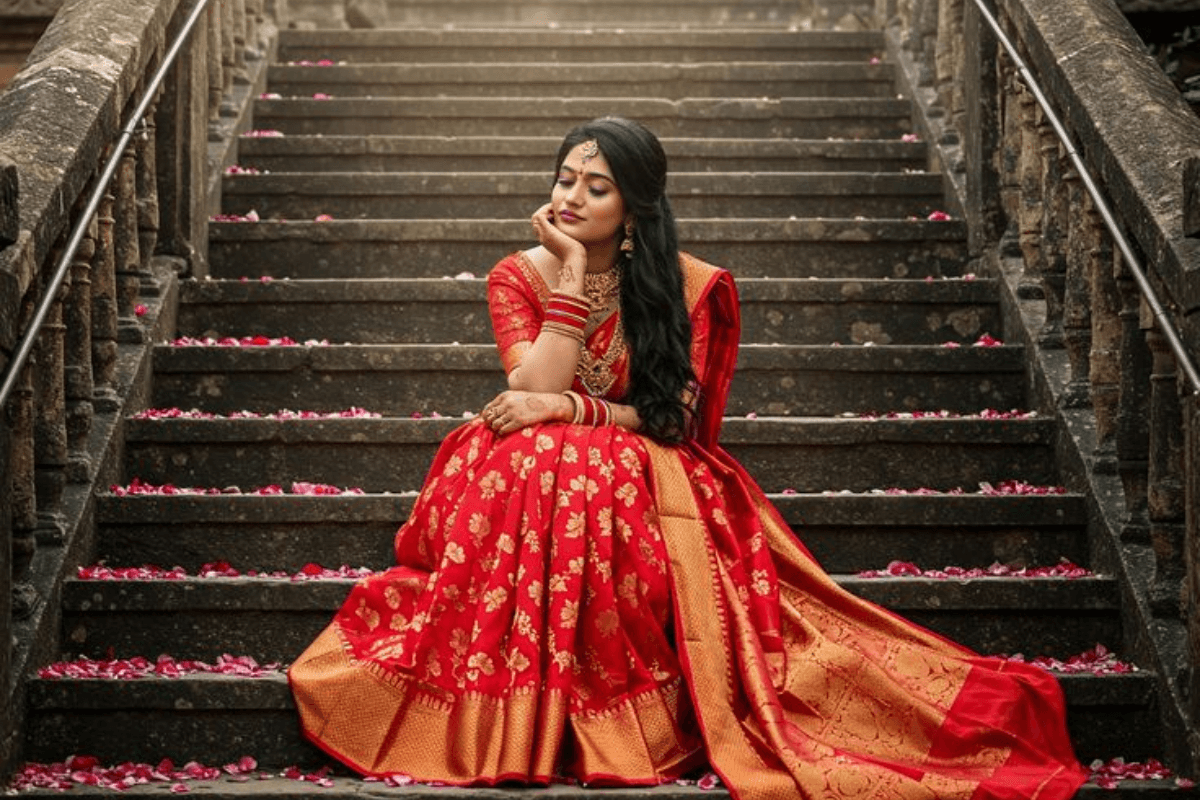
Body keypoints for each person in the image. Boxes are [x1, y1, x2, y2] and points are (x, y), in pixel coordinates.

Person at [289, 117, 1088, 800]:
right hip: (530, 467)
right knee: (537, 458)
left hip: (653, 466)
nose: (569, 197)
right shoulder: (516, 275)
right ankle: (507, 712)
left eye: (595, 187)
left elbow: (671, 420)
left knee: (568, 457)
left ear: (634, 203)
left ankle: (591, 706)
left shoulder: (686, 287)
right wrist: (568, 279)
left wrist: (574, 410)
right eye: (564, 178)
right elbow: (529, 385)